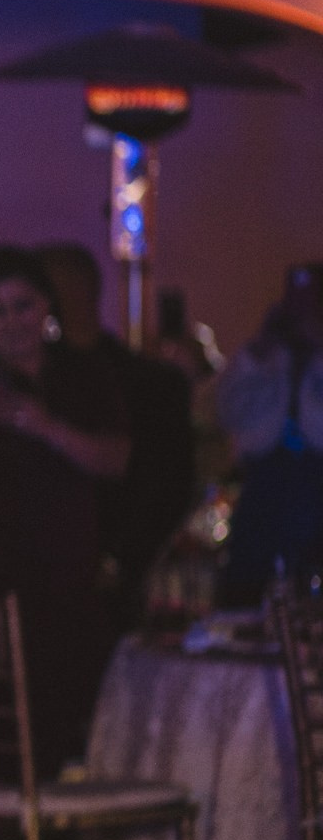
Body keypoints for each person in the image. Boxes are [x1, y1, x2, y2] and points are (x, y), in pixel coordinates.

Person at [0, 245, 129, 777]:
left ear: (47, 308)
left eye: (23, 305)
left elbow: (115, 460)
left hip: (67, 594)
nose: (13, 321)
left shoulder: (83, 376)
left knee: (73, 734)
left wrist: (46, 427)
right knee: (8, 746)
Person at [35, 242, 196, 624]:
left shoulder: (145, 383)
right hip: (57, 571)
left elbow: (167, 480)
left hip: (111, 574)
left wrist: (122, 557)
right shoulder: (34, 381)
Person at [216, 261, 323, 605]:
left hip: (315, 480)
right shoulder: (268, 351)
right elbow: (229, 410)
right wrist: (256, 357)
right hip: (266, 479)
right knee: (247, 574)